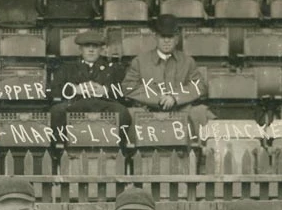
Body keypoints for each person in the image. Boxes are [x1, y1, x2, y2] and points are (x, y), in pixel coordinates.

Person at [122, 14, 210, 144]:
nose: (167, 41)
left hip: (180, 110)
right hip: (148, 110)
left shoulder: (187, 61)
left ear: (177, 39)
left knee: (201, 112)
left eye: (171, 37)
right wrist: (158, 99)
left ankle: (197, 155)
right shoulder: (140, 61)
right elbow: (128, 87)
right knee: (130, 114)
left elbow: (199, 86)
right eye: (163, 36)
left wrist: (175, 97)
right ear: (155, 37)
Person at [49, 31, 131, 145]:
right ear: (80, 49)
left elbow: (125, 90)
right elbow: (54, 90)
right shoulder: (68, 68)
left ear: (101, 49)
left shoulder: (113, 68)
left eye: (95, 47)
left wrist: (105, 90)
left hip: (103, 104)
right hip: (76, 103)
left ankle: (119, 149)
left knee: (122, 112)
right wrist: (74, 90)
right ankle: (60, 149)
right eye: (87, 46)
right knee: (57, 111)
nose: (91, 50)